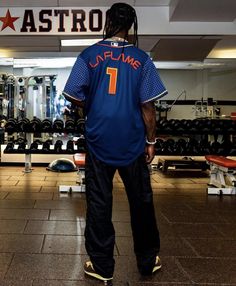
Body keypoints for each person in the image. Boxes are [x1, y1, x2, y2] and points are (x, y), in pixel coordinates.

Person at [63, 2, 168, 282]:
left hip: (99, 140)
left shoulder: (89, 55)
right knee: (142, 202)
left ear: (108, 22)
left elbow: (72, 93)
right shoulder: (142, 59)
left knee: (99, 203)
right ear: (131, 26)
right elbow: (148, 107)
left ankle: (102, 267)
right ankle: (147, 262)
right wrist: (151, 140)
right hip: (133, 141)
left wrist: (91, 105)